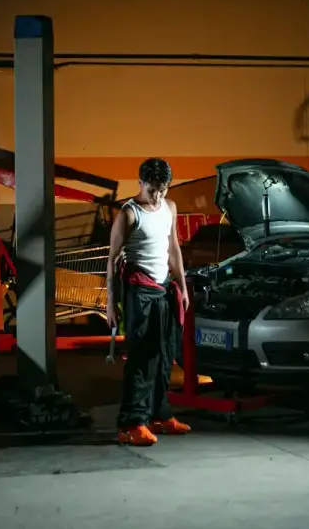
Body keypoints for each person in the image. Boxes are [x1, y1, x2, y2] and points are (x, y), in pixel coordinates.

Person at [106, 157, 192, 446]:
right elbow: (112, 260)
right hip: (139, 290)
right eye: (152, 189)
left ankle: (159, 415)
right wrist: (110, 303)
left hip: (164, 289)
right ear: (141, 183)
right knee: (142, 357)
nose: (157, 195)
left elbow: (173, 247)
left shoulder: (170, 207)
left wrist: (182, 286)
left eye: (163, 189)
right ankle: (131, 423)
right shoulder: (129, 213)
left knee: (165, 355)